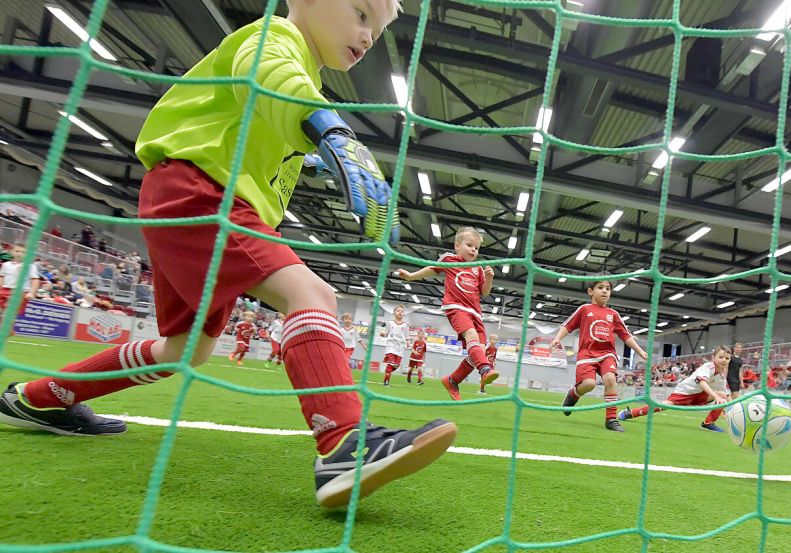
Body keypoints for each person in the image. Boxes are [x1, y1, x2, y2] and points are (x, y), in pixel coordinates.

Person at [0, 0, 457, 511]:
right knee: (311, 293)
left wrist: (309, 145)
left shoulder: (302, 83)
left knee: (185, 350)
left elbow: (275, 118)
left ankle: (37, 398)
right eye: (361, 13)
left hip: (188, 196)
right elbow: (273, 74)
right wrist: (331, 131)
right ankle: (344, 442)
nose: (369, 35)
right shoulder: (272, 39)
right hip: (199, 192)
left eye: (379, 26)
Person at [396, 227, 497, 400]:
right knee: (472, 337)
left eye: (477, 248)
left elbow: (484, 292)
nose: (474, 250)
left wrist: (489, 278)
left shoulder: (478, 269)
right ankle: (485, 369)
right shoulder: (449, 259)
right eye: (469, 245)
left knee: (478, 351)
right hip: (456, 308)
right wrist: (410, 276)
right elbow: (431, 269)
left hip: (476, 313)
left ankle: (453, 380)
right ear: (457, 246)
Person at [553, 280, 648, 432]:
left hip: (607, 354)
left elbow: (626, 335)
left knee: (610, 379)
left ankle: (611, 419)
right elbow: (568, 325)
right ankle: (573, 394)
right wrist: (557, 338)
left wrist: (640, 351)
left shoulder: (613, 314)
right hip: (587, 355)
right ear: (591, 291)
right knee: (589, 384)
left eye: (608, 289)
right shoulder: (584, 309)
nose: (605, 291)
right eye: (600, 288)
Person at [618, 345, 731, 432]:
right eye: (721, 357)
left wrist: (733, 409)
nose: (724, 360)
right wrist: (715, 396)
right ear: (713, 357)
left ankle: (708, 423)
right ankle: (632, 413)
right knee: (662, 406)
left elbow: (726, 394)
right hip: (685, 393)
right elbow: (702, 382)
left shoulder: (721, 376)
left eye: (727, 358)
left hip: (698, 396)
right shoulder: (707, 367)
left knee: (722, 395)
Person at [701, 341, 744, 429]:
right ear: (734, 348)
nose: (738, 349)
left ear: (741, 349)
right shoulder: (729, 357)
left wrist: (742, 382)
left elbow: (740, 371)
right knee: (732, 396)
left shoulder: (740, 360)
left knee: (733, 397)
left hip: (736, 379)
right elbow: (725, 367)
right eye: (737, 347)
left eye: (740, 347)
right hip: (730, 378)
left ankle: (724, 409)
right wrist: (724, 377)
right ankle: (726, 411)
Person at [0, 245, 40, 315]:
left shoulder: (30, 266)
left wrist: (31, 293)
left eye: (23, 252)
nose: (20, 254)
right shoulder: (6, 265)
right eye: (17, 251)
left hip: (19, 292)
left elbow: (35, 280)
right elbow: (2, 277)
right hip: (4, 290)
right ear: (11, 252)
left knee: (9, 314)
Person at [380, 305, 409, 386]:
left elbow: (407, 337)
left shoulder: (405, 326)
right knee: (391, 363)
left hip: (400, 347)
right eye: (398, 311)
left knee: (396, 365)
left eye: (402, 311)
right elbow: (386, 333)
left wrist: (408, 343)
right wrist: (383, 334)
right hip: (391, 345)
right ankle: (386, 381)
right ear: (394, 313)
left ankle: (387, 371)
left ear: (404, 314)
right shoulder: (390, 323)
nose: (400, 312)